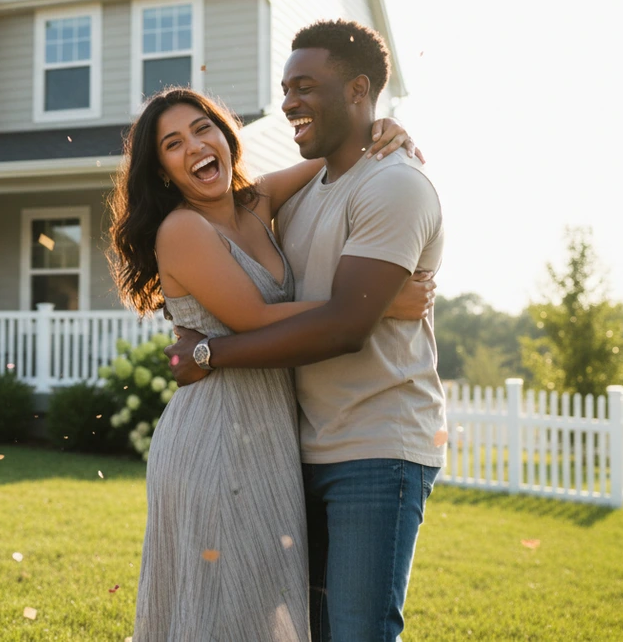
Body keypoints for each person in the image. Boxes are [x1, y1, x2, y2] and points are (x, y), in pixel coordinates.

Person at [109, 83, 433, 640]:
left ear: (225, 135)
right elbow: (256, 317)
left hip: (268, 433)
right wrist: (376, 306)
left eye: (202, 129)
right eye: (172, 144)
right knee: (221, 610)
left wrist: (382, 132)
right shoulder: (183, 228)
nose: (194, 147)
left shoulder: (255, 203)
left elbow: (335, 156)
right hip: (213, 435)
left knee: (262, 605)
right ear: (162, 170)